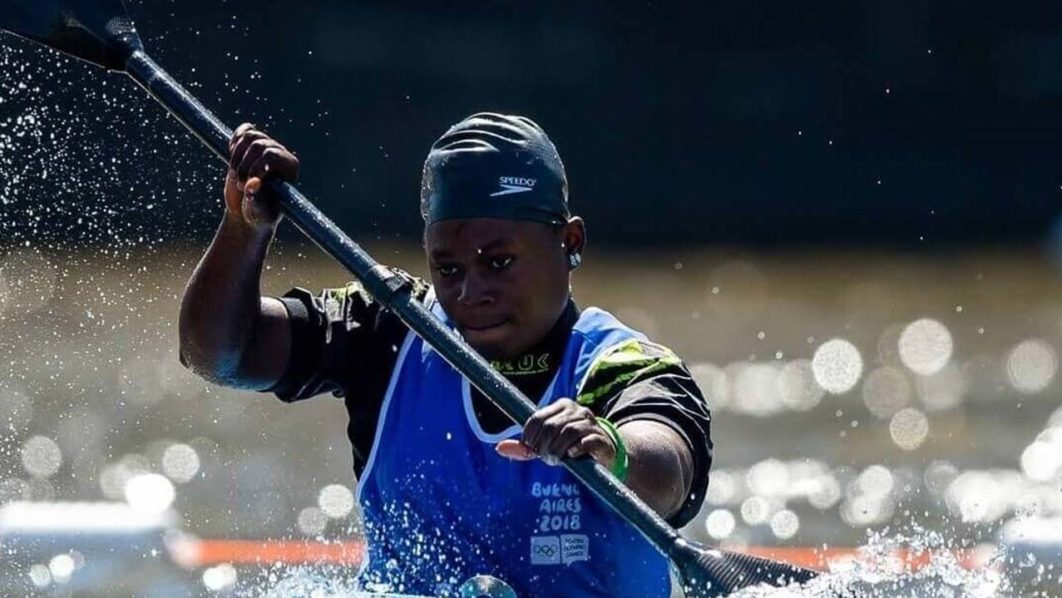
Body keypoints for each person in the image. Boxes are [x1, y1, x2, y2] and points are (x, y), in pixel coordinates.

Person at [179, 113, 713, 598]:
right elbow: (218, 355)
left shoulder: (625, 367)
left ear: (570, 242)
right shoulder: (387, 329)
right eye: (449, 269)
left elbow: (669, 473)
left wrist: (611, 449)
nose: (469, 294)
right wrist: (244, 230)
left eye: (499, 263)